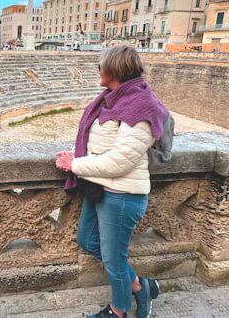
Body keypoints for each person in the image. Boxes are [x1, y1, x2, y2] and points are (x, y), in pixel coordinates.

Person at [56, 44, 170, 318]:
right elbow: (106, 144)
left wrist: (75, 164)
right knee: (87, 240)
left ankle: (118, 310)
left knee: (114, 258)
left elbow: (120, 161)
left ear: (115, 69)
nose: (98, 69)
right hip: (100, 189)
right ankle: (139, 286)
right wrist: (80, 155)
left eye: (101, 65)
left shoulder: (141, 106)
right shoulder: (112, 98)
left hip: (122, 194)